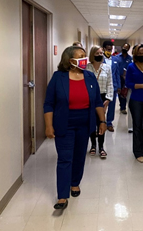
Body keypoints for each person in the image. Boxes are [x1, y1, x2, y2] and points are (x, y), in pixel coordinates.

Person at [43, 46, 106, 210]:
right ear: (70, 60)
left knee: (79, 156)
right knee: (64, 158)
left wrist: (103, 121)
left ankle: (75, 183)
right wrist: (48, 126)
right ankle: (62, 196)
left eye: (85, 56)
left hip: (84, 123)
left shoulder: (90, 77)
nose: (85, 59)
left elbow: (98, 102)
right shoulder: (58, 77)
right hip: (64, 122)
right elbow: (49, 103)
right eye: (81, 56)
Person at [86, 45, 113, 158]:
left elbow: (110, 84)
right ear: (92, 55)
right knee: (92, 122)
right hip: (89, 98)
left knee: (101, 122)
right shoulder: (86, 68)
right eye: (97, 53)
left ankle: (101, 147)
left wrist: (108, 99)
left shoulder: (107, 68)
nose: (100, 55)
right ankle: (93, 145)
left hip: (102, 98)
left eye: (101, 53)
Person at [102, 41, 121, 132]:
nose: (109, 51)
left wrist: (119, 86)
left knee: (112, 106)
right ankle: (101, 122)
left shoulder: (115, 60)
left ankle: (109, 123)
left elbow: (117, 74)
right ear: (104, 49)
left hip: (113, 86)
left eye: (110, 49)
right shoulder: (99, 59)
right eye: (107, 49)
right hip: (102, 87)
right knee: (101, 105)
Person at [116, 43, 132, 115]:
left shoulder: (130, 58)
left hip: (127, 77)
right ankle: (121, 105)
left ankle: (123, 107)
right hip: (118, 77)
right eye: (124, 47)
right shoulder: (117, 57)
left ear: (128, 49)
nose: (125, 49)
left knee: (124, 92)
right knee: (119, 92)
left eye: (127, 48)